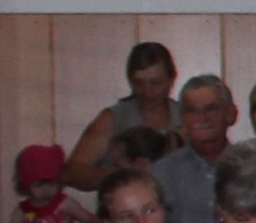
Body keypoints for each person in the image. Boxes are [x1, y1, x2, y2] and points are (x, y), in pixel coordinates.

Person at [68, 39, 182, 193]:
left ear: (171, 80)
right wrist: (122, 174)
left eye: (155, 83)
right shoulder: (114, 118)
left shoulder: (187, 116)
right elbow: (72, 172)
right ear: (130, 81)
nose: (147, 91)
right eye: (139, 83)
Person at [150, 74, 242, 223]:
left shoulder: (251, 169)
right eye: (192, 111)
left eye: (211, 109)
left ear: (231, 114)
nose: (202, 118)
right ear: (182, 119)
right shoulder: (160, 174)